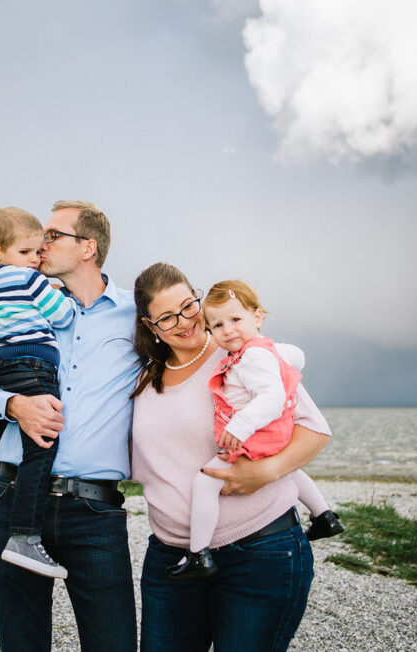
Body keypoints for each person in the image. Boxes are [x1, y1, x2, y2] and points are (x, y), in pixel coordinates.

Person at [0, 200, 142, 651]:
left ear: (88, 248)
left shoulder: (135, 315)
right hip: (13, 496)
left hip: (95, 511)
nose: (41, 244)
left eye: (53, 236)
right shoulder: (26, 306)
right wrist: (14, 405)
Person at [130, 262, 332, 652]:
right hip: (171, 559)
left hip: (258, 553)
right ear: (150, 326)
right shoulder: (144, 379)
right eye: (167, 317)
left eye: (188, 307)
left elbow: (316, 430)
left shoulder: (242, 354)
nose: (184, 322)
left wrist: (265, 472)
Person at [167, 279, 343, 580]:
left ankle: (199, 553)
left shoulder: (252, 357)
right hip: (276, 433)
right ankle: (324, 516)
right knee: (289, 472)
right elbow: (296, 356)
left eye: (236, 319)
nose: (228, 330)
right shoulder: (265, 349)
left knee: (205, 483)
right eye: (218, 325)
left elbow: (272, 397)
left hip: (256, 434)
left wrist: (241, 425)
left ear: (257, 317)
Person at [0, 207, 77, 579]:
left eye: (38, 252)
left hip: (1, 366)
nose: (35, 259)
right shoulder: (29, 279)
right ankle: (24, 536)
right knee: (42, 443)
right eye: (26, 252)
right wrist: (63, 297)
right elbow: (63, 316)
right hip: (33, 365)